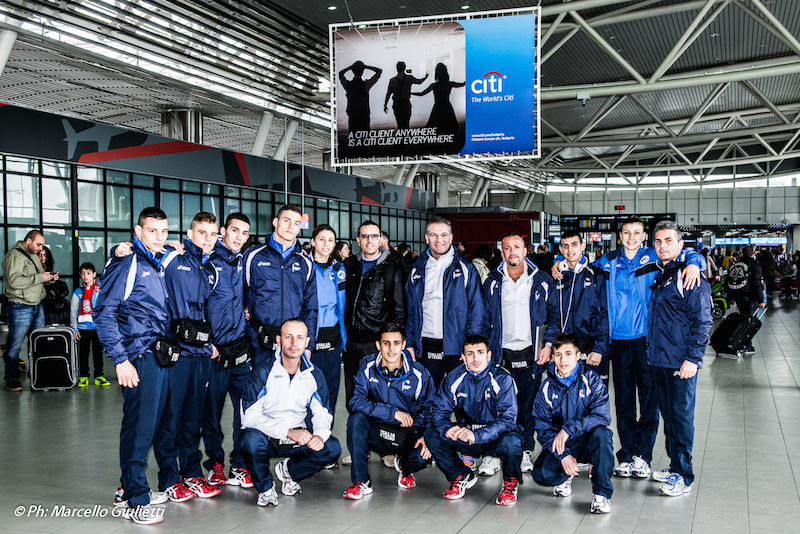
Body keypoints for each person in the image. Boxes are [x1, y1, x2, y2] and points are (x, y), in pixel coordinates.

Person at [591, 217, 704, 479]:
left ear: (644, 237)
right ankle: (627, 455)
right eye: (627, 232)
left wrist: (696, 265)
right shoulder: (606, 262)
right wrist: (556, 266)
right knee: (624, 402)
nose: (631, 237)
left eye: (637, 233)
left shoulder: (654, 257)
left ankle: (643, 456)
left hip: (647, 341)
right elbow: (577, 266)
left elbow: (687, 253)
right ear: (620, 235)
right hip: (617, 342)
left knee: (650, 402)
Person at [93, 207, 171, 525]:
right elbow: (103, 312)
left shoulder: (154, 263)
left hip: (156, 356)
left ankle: (129, 488)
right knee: (140, 429)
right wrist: (121, 360)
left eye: (164, 231)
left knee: (145, 426)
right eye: (153, 231)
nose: (159, 237)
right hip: (138, 357)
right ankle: (137, 499)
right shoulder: (129, 263)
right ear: (138, 232)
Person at [151, 212, 221, 502]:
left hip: (201, 354)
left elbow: (207, 310)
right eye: (202, 232)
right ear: (190, 234)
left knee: (193, 420)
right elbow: (142, 257)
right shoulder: (170, 258)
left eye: (212, 234)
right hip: (175, 354)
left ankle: (192, 474)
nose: (207, 238)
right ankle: (169, 478)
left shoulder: (210, 269)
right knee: (172, 418)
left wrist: (211, 342)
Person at [240, 319, 341, 507]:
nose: (294, 343)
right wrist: (286, 431)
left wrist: (319, 435)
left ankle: (290, 472)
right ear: (278, 340)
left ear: (307, 342)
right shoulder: (263, 371)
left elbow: (323, 413)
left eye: (299, 338)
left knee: (332, 447)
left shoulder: (314, 374)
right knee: (249, 440)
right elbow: (248, 417)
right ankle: (265, 489)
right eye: (288, 337)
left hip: (297, 439)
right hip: (268, 436)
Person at [647, 220, 712, 497]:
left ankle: (684, 475)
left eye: (668, 241)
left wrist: (692, 359)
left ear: (680, 244)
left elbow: (703, 322)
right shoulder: (664, 273)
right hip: (659, 359)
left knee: (682, 418)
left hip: (680, 362)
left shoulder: (690, 276)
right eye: (658, 241)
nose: (662, 246)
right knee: (669, 417)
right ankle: (675, 466)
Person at [483, 234, 552, 476]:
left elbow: (552, 316)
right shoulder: (492, 281)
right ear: (502, 253)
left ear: (526, 251)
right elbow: (482, 319)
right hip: (501, 355)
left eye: (516, 247)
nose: (512, 251)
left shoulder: (541, 280)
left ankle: (523, 450)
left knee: (526, 407)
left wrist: (549, 344)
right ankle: (492, 453)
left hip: (530, 355)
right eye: (507, 248)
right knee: (495, 406)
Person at [424, 335, 521, 505]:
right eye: (470, 353)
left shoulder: (502, 378)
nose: (476, 358)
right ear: (463, 357)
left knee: (512, 442)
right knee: (432, 434)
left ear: (489, 355)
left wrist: (478, 435)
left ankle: (510, 482)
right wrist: (447, 428)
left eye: (480, 352)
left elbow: (508, 420)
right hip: (466, 437)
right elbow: (438, 411)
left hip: (494, 438)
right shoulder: (454, 378)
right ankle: (461, 475)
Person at [343, 323, 434, 499]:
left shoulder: (419, 374)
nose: (391, 349)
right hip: (377, 430)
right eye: (386, 343)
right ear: (378, 345)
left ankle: (404, 466)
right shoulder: (367, 366)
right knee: (356, 420)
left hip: (406, 433)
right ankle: (360, 482)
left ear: (403, 344)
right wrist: (392, 412)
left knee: (424, 455)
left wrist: (426, 436)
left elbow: (430, 408)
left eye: (396, 343)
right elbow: (356, 401)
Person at [532, 333, 614, 514]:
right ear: (552, 358)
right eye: (558, 354)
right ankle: (566, 475)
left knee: (602, 434)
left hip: (588, 440)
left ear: (578, 356)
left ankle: (601, 495)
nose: (563, 360)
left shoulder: (592, 380)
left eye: (568, 354)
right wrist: (564, 456)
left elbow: (602, 417)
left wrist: (568, 428)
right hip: (563, 444)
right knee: (541, 474)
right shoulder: (546, 387)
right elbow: (543, 429)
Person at [201, 213, 254, 488]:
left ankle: (240, 465)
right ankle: (216, 464)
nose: (239, 237)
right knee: (211, 411)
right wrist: (205, 341)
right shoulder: (207, 261)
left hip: (241, 348)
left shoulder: (243, 262)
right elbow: (195, 303)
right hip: (214, 351)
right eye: (235, 230)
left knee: (244, 410)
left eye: (244, 233)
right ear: (223, 231)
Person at [405, 216, 487, 386]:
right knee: (427, 403)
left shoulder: (466, 268)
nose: (439, 240)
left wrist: (471, 348)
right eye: (433, 235)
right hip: (425, 348)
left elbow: (477, 309)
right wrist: (410, 343)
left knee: (464, 402)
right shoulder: (417, 269)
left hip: (457, 349)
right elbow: (410, 310)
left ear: (451, 237)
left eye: (443, 235)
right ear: (426, 238)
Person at [342, 220, 406, 411]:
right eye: (364, 236)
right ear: (358, 240)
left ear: (381, 240)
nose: (369, 240)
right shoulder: (349, 265)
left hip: (376, 344)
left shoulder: (391, 269)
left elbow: (399, 309)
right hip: (350, 344)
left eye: (374, 236)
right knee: (353, 398)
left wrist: (392, 344)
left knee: (378, 397)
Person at [244, 204, 317, 367]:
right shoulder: (253, 256)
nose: (291, 226)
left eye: (296, 223)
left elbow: (311, 307)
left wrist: (308, 346)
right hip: (259, 342)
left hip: (293, 344)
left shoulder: (305, 263)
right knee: (259, 390)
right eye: (287, 220)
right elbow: (238, 292)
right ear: (275, 222)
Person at [539, 231, 609, 385]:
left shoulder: (597, 276)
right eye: (566, 246)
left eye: (574, 245)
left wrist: (599, 349)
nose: (570, 250)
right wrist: (550, 345)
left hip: (590, 348)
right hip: (563, 347)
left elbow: (604, 315)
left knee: (593, 399)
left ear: (583, 246)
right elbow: (553, 316)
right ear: (561, 249)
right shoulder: (555, 279)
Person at [2, 230, 55, 391]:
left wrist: (48, 278)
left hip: (36, 304)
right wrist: (41, 278)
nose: (40, 249)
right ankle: (12, 379)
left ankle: (38, 376)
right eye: (38, 244)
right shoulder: (15, 256)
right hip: (20, 306)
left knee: (38, 344)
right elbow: (14, 281)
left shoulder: (31, 255)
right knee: (15, 345)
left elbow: (35, 278)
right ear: (28, 240)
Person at [309, 224, 347, 419]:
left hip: (333, 336)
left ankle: (325, 432)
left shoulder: (340, 270)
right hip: (310, 337)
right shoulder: (304, 267)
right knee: (310, 386)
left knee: (331, 388)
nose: (326, 244)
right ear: (313, 241)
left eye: (330, 240)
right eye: (321, 239)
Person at [70, 262, 109, 387]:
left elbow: (106, 307)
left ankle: (99, 375)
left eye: (88, 273)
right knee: (84, 353)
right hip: (83, 328)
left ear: (94, 275)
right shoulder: (78, 292)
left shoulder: (101, 289)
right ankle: (83, 376)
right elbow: (73, 310)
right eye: (82, 274)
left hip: (98, 327)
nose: (85, 276)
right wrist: (74, 328)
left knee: (98, 352)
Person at [725, 246, 765, 354]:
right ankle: (745, 345)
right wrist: (761, 300)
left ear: (742, 254)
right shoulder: (755, 265)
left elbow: (729, 280)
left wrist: (730, 297)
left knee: (743, 319)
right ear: (753, 254)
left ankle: (743, 344)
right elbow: (756, 284)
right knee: (749, 322)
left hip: (738, 295)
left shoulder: (736, 264)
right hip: (749, 297)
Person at [412, 63, 465, 134]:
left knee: (437, 129)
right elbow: (462, 84)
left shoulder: (434, 85)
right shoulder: (450, 84)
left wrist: (410, 93)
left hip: (438, 108)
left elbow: (422, 94)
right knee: (449, 130)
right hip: (447, 108)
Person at [339, 60, 382, 132]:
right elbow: (379, 71)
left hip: (352, 113)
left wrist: (350, 67)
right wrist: (366, 67)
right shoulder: (365, 85)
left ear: (353, 71)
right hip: (364, 113)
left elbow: (340, 74)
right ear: (362, 72)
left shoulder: (348, 85)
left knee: (353, 135)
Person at [383, 61, 428, 129]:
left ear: (397, 68)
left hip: (396, 103)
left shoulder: (392, 80)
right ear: (404, 68)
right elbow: (419, 82)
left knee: (399, 123)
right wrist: (425, 77)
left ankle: (401, 136)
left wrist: (385, 104)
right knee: (406, 123)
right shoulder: (409, 78)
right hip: (405, 102)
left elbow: (388, 93)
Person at [39, 246, 70, 325]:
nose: (42, 257)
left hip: (51, 303)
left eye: (45, 255)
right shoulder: (33, 269)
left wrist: (53, 279)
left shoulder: (50, 267)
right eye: (40, 255)